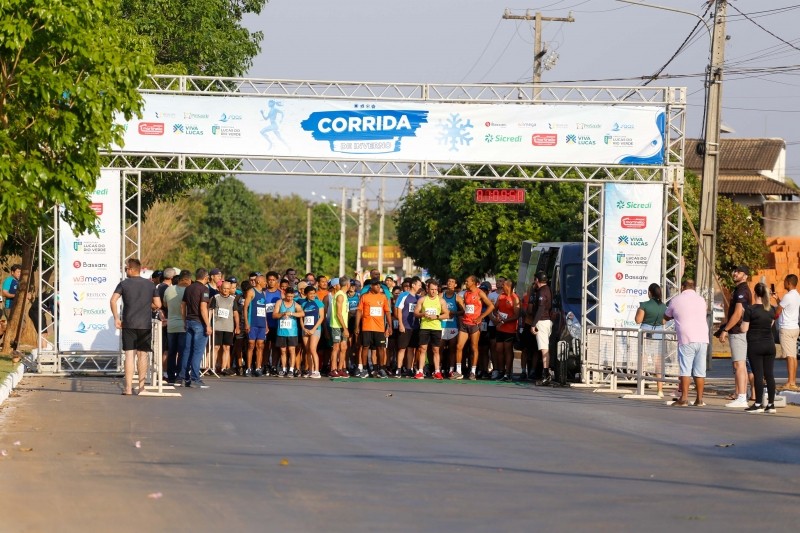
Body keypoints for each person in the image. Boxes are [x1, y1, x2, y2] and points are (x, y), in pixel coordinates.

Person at [109, 258, 161, 395]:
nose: (125, 270)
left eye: (126, 268)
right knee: (142, 354)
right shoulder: (150, 285)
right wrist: (147, 304)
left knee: (129, 355)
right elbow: (158, 304)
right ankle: (141, 387)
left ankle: (127, 388)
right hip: (144, 324)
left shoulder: (124, 284)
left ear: (132, 270)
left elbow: (113, 300)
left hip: (128, 323)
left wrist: (116, 318)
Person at [664, 279, 708, 407]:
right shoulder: (701, 300)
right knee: (700, 371)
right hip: (702, 338)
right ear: (694, 287)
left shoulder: (676, 300)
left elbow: (667, 316)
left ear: (682, 287)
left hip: (687, 338)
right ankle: (699, 399)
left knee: (685, 370)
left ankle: (684, 398)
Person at [718, 266, 753, 408]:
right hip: (739, 331)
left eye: (738, 272)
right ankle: (742, 395)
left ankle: (742, 397)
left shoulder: (742, 290)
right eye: (734, 271)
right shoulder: (739, 289)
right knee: (741, 365)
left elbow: (738, 313)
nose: (735, 273)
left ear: (745, 276)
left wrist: (725, 329)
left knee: (739, 364)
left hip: (738, 331)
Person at [741, 283, 778, 413]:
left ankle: (758, 404)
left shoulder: (750, 310)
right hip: (769, 345)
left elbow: (744, 328)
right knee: (769, 375)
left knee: (758, 375)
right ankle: (771, 405)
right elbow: (771, 323)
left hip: (755, 345)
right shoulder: (771, 309)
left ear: (755, 293)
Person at [454, 275, 495, 380]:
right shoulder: (466, 293)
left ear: (473, 282)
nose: (466, 283)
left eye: (467, 281)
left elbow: (491, 306)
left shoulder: (480, 293)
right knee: (459, 346)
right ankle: (458, 371)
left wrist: (481, 317)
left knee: (474, 347)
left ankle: (473, 371)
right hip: (465, 323)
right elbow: (466, 309)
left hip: (474, 324)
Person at [355, 278, 393, 378]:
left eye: (379, 285)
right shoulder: (364, 297)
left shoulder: (383, 297)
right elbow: (359, 311)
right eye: (376, 285)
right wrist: (357, 326)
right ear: (371, 286)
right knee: (365, 347)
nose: (378, 287)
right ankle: (364, 369)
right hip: (366, 327)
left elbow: (387, 312)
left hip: (379, 328)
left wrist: (390, 326)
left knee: (381, 348)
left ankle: (381, 369)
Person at [180, 268, 212, 388]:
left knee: (187, 350)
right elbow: (203, 307)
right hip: (199, 323)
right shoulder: (204, 289)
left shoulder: (189, 288)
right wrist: (208, 324)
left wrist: (184, 320)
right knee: (197, 352)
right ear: (205, 277)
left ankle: (183, 377)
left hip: (189, 321)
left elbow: (182, 306)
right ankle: (195, 378)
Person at [635, 282, 667, 398]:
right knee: (658, 362)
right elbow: (664, 322)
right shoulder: (663, 306)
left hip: (645, 332)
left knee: (642, 360)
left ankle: (640, 387)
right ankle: (660, 390)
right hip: (658, 333)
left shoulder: (644, 305)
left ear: (649, 292)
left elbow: (638, 320)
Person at [413, 279, 449, 380]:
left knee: (436, 350)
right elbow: (415, 313)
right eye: (432, 289)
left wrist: (436, 317)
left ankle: (437, 371)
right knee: (422, 349)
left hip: (436, 327)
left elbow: (446, 314)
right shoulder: (422, 299)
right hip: (424, 327)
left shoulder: (441, 300)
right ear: (428, 289)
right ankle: (420, 371)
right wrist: (422, 314)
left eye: (435, 289)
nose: (433, 291)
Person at [163, 270, 192, 384]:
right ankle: (180, 375)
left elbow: (165, 304)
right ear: (188, 280)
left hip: (171, 324)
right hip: (183, 325)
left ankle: (170, 376)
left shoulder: (169, 289)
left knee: (171, 352)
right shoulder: (188, 290)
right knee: (182, 351)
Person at [528, 271, 554, 386]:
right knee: (544, 348)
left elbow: (541, 309)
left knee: (544, 348)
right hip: (546, 321)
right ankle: (545, 373)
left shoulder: (542, 292)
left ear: (537, 280)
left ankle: (545, 374)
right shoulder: (547, 289)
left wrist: (533, 324)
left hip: (542, 321)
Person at [491, 280, 520, 382]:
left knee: (507, 350)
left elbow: (516, 315)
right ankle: (501, 371)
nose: (502, 286)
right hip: (500, 328)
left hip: (510, 329)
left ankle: (508, 373)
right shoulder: (501, 296)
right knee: (499, 349)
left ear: (509, 286)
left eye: (504, 285)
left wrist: (505, 321)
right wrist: (497, 316)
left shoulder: (515, 298)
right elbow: (494, 309)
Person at [775, 274, 800, 391]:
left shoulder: (788, 296)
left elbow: (778, 311)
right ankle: (793, 381)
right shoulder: (797, 295)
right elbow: (785, 306)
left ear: (789, 283)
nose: (784, 284)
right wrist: (777, 299)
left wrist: (773, 317)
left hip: (786, 328)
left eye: (785, 282)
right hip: (795, 327)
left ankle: (790, 382)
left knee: (789, 357)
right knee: (793, 356)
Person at [272, 287, 304, 377]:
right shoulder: (279, 302)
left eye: (291, 296)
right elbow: (274, 315)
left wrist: (291, 313)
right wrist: (282, 314)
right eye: (288, 296)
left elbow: (302, 313)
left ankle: (291, 369)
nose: (290, 298)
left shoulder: (295, 304)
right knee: (282, 350)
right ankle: (284, 368)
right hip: (281, 331)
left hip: (292, 332)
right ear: (285, 295)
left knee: (292, 350)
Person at [211, 280, 239, 375]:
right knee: (216, 347)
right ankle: (212, 367)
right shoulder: (215, 298)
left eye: (228, 289)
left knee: (226, 347)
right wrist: (209, 325)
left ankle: (224, 368)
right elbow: (210, 311)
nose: (226, 290)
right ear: (220, 288)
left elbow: (235, 314)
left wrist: (237, 326)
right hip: (217, 326)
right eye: (224, 288)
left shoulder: (233, 299)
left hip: (228, 327)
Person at [395, 277, 421, 378]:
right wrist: (401, 324)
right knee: (402, 348)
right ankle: (398, 369)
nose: (420, 287)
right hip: (405, 326)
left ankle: (409, 369)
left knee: (411, 349)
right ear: (413, 285)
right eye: (418, 285)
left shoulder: (419, 298)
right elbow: (399, 310)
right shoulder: (403, 295)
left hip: (415, 327)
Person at [243, 274, 268, 376]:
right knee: (251, 345)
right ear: (258, 282)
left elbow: (264, 310)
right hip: (252, 323)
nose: (265, 283)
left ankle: (258, 367)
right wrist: (246, 323)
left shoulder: (264, 293)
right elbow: (245, 308)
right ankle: (248, 368)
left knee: (260, 346)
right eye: (264, 281)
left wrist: (266, 324)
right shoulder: (251, 292)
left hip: (261, 323)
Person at [328, 276, 350, 377]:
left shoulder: (344, 295)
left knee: (344, 347)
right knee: (336, 347)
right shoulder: (340, 295)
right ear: (347, 284)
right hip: (337, 325)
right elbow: (338, 314)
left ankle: (340, 368)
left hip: (343, 325)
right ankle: (333, 369)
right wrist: (345, 328)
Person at [301, 285, 324, 378]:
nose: (312, 295)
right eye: (310, 294)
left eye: (314, 293)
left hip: (315, 329)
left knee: (312, 349)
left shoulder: (319, 303)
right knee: (307, 350)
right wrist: (303, 328)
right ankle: (310, 370)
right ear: (306, 294)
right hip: (306, 329)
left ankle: (317, 371)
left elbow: (321, 317)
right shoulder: (303, 304)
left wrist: (314, 329)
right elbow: (301, 317)